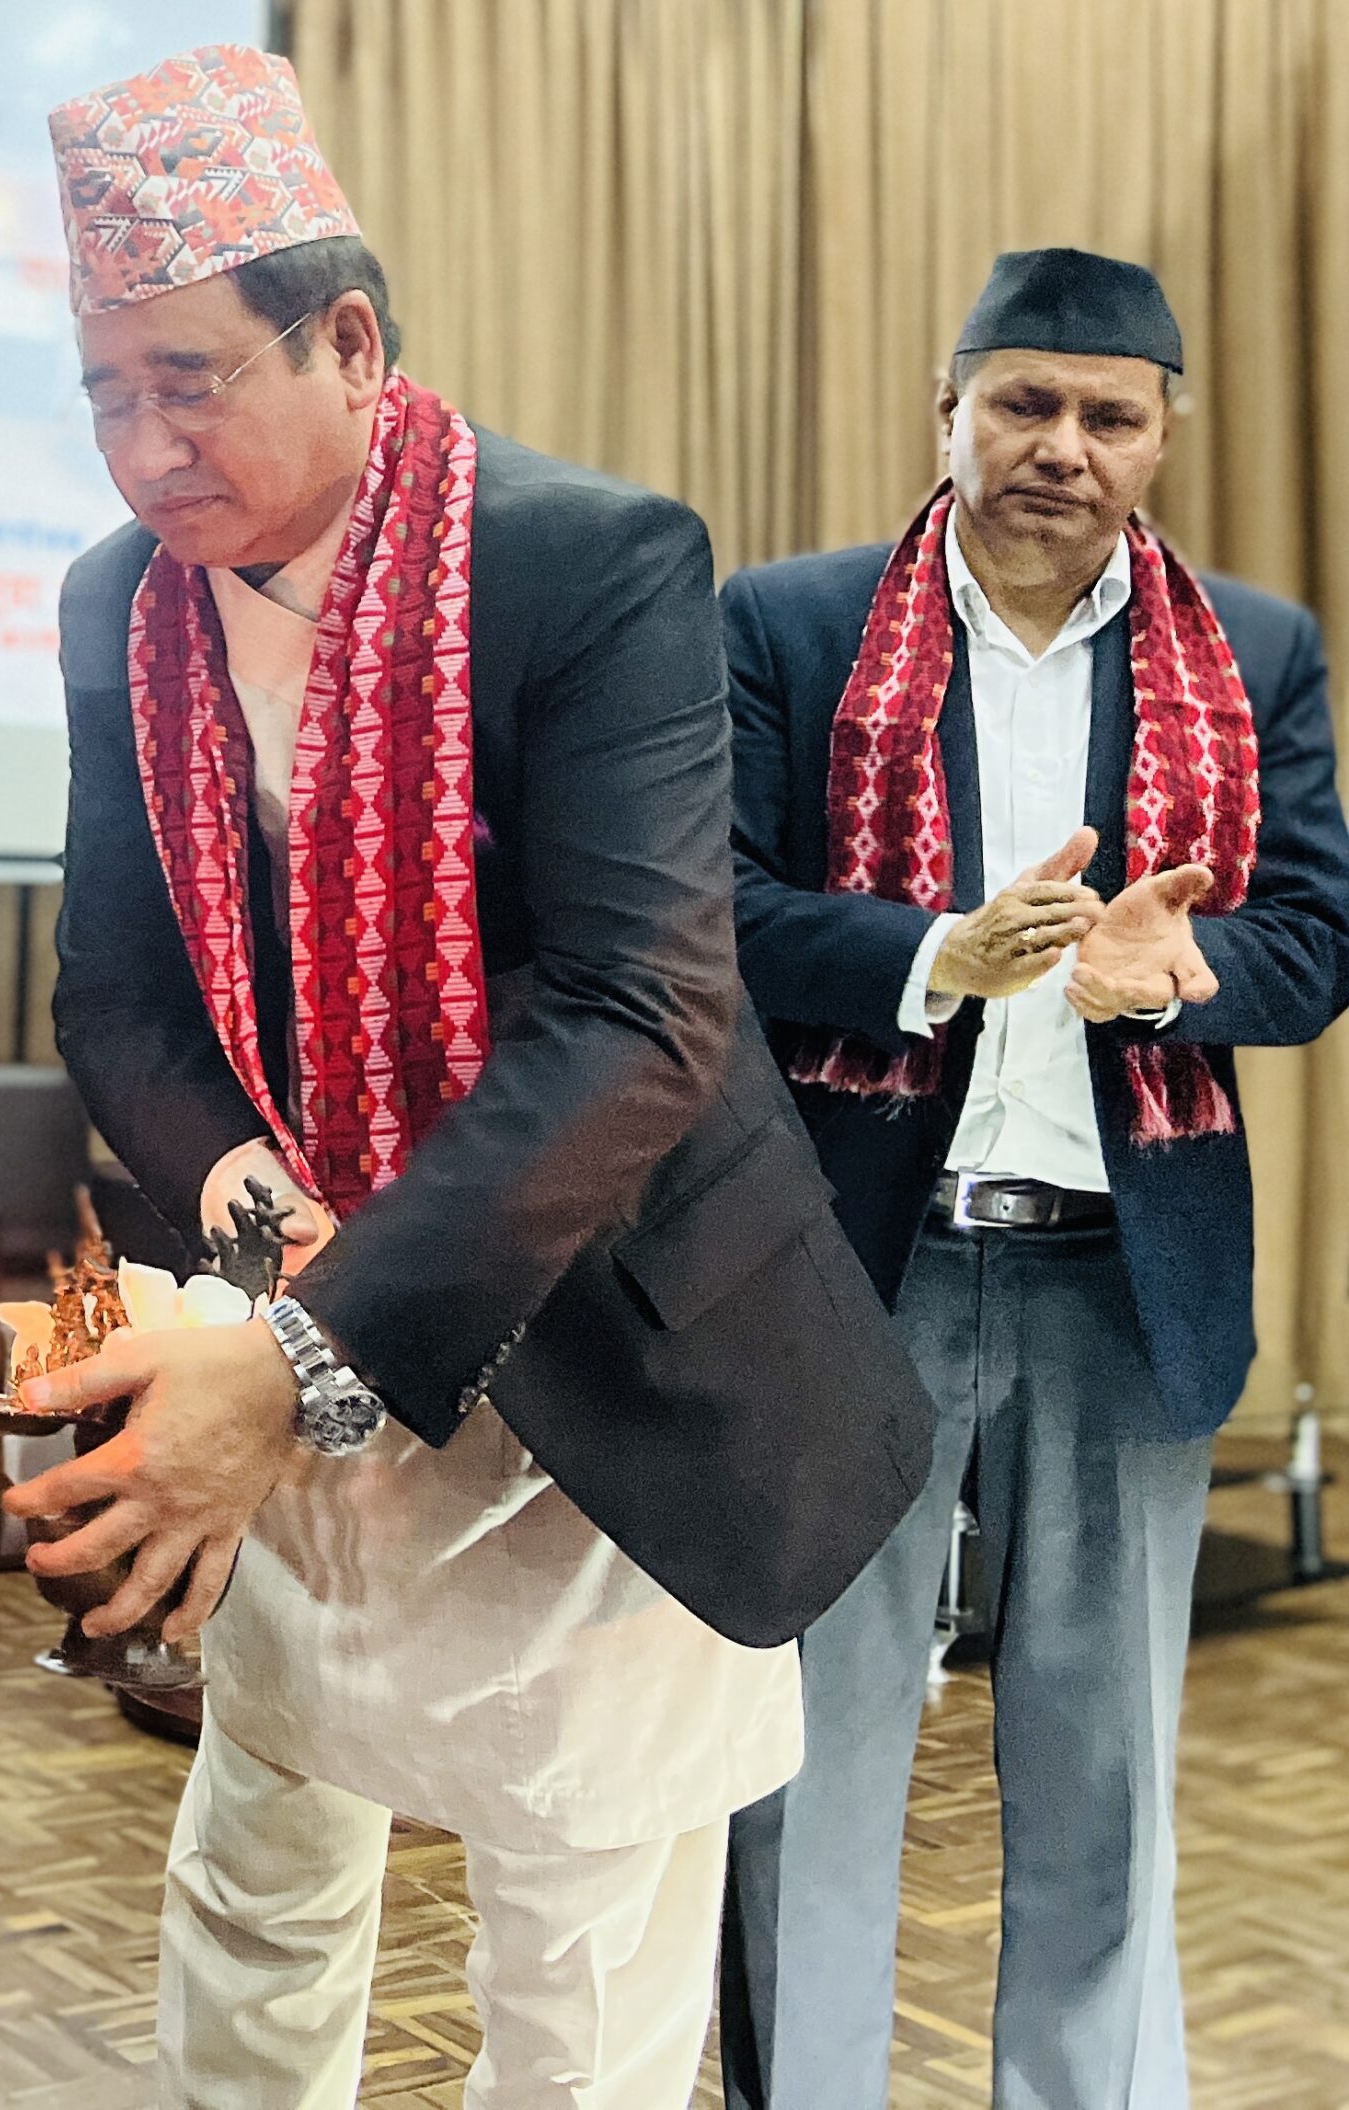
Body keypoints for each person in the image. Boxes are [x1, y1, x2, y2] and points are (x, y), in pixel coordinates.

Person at [5, 46, 934, 2108]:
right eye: (102, 394)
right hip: (304, 1301)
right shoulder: (116, 607)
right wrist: (276, 1235)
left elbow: (636, 1011)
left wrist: (313, 1346)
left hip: (600, 1337)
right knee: (257, 1870)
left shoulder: (583, 563)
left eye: (186, 382)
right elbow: (118, 1001)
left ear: (347, 343)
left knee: (577, 1954)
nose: (143, 447)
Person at [717, 248, 1349, 2110]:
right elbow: (712, 912)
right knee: (810, 1760)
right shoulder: (790, 624)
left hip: (1123, 1284)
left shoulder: (1259, 651)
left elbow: (1318, 937)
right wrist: (937, 957)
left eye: (1108, 414)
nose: (1063, 444)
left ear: (1162, 438)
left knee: (1104, 1773)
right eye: (1025, 402)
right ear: (951, 409)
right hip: (854, 1274)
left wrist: (1184, 968)